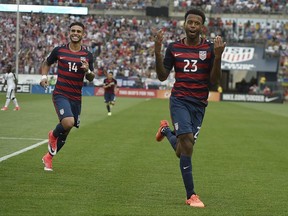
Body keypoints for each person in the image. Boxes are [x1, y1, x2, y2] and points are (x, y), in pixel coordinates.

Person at [154, 8, 226, 208]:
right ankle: (191, 195)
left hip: (199, 104)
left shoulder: (210, 49)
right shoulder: (173, 47)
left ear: (202, 26)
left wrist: (218, 57)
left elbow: (213, 82)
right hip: (179, 100)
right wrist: (157, 53)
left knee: (181, 149)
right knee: (186, 142)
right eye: (190, 22)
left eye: (196, 23)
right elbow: (162, 76)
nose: (193, 26)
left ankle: (166, 130)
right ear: (184, 24)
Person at [40, 22, 95, 171]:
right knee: (68, 122)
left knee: (66, 131)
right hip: (61, 94)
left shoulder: (87, 55)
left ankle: (49, 158)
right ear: (69, 33)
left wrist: (87, 70)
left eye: (78, 31)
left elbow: (91, 77)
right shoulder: (59, 50)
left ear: (83, 34)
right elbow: (46, 62)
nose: (75, 33)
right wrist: (44, 76)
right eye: (73, 30)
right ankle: (52, 134)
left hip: (76, 98)